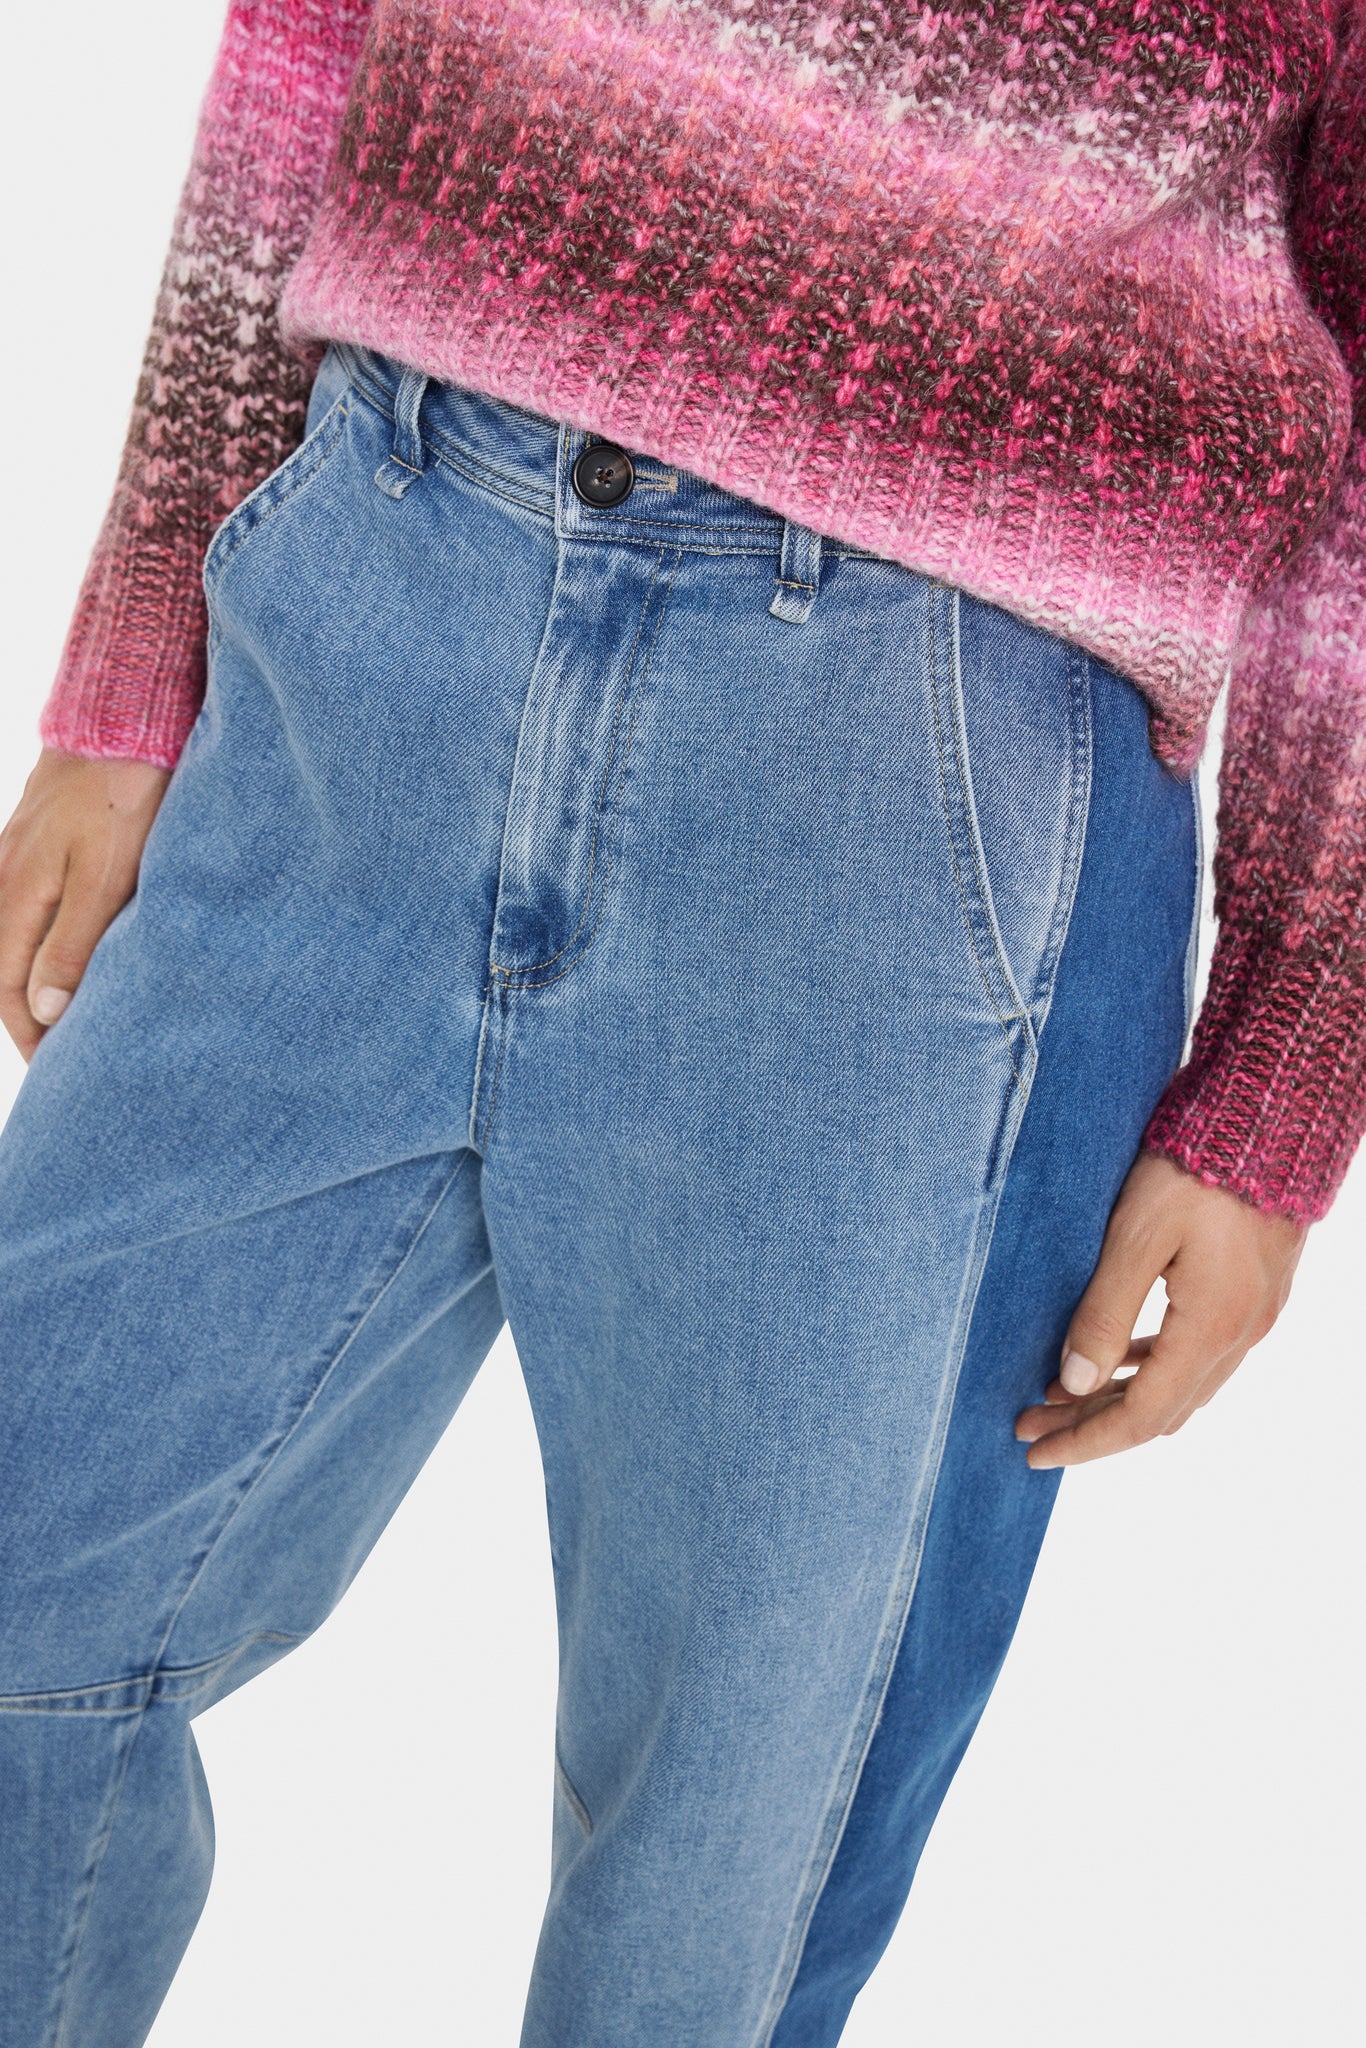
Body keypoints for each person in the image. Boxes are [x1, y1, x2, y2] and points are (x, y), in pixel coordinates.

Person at [0, 3, 1361, 2042]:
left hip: (912, 772)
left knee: (712, 1892)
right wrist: (135, 655)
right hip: (368, 591)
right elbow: (310, 35)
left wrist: (1283, 1054)